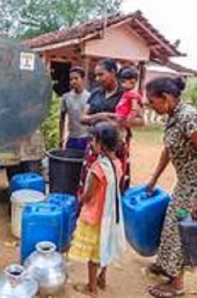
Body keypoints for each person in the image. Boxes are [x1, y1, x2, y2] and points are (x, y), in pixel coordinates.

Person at [145, 77, 197, 298]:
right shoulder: (173, 116)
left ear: (165, 98)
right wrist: (154, 178)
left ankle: (177, 284)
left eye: (152, 102)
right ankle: (168, 267)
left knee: (181, 226)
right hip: (188, 181)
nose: (151, 106)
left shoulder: (189, 118)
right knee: (173, 222)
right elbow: (168, 149)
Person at [69, 123, 126, 297]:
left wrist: (79, 200)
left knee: (93, 255)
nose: (90, 143)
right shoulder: (116, 163)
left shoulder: (98, 168)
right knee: (104, 246)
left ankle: (92, 288)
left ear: (101, 143)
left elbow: (89, 195)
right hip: (109, 216)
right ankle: (102, 278)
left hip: (94, 216)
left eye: (93, 139)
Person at [79, 59, 144, 195]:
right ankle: (90, 211)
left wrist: (121, 122)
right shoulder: (96, 93)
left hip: (116, 146)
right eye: (96, 75)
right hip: (95, 144)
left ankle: (112, 212)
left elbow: (140, 121)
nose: (97, 79)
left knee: (114, 180)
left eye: (101, 74)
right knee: (92, 179)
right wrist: (99, 116)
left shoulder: (127, 93)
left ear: (113, 73)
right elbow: (82, 118)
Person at [59, 67, 90, 151]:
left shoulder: (90, 97)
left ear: (83, 79)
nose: (73, 81)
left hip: (86, 137)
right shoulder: (66, 97)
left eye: (76, 78)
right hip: (71, 137)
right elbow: (62, 118)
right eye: (71, 79)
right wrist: (61, 138)